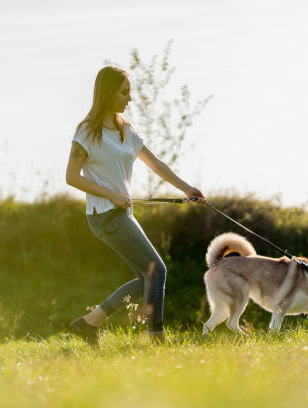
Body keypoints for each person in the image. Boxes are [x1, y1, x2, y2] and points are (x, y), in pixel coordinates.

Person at [65, 65, 206, 345]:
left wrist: (187, 188)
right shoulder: (86, 132)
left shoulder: (126, 130)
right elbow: (70, 177)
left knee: (146, 279)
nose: (129, 98)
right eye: (124, 92)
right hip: (104, 215)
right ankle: (157, 340)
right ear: (108, 93)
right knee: (157, 270)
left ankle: (89, 323)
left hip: (120, 212)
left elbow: (155, 164)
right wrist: (111, 194)